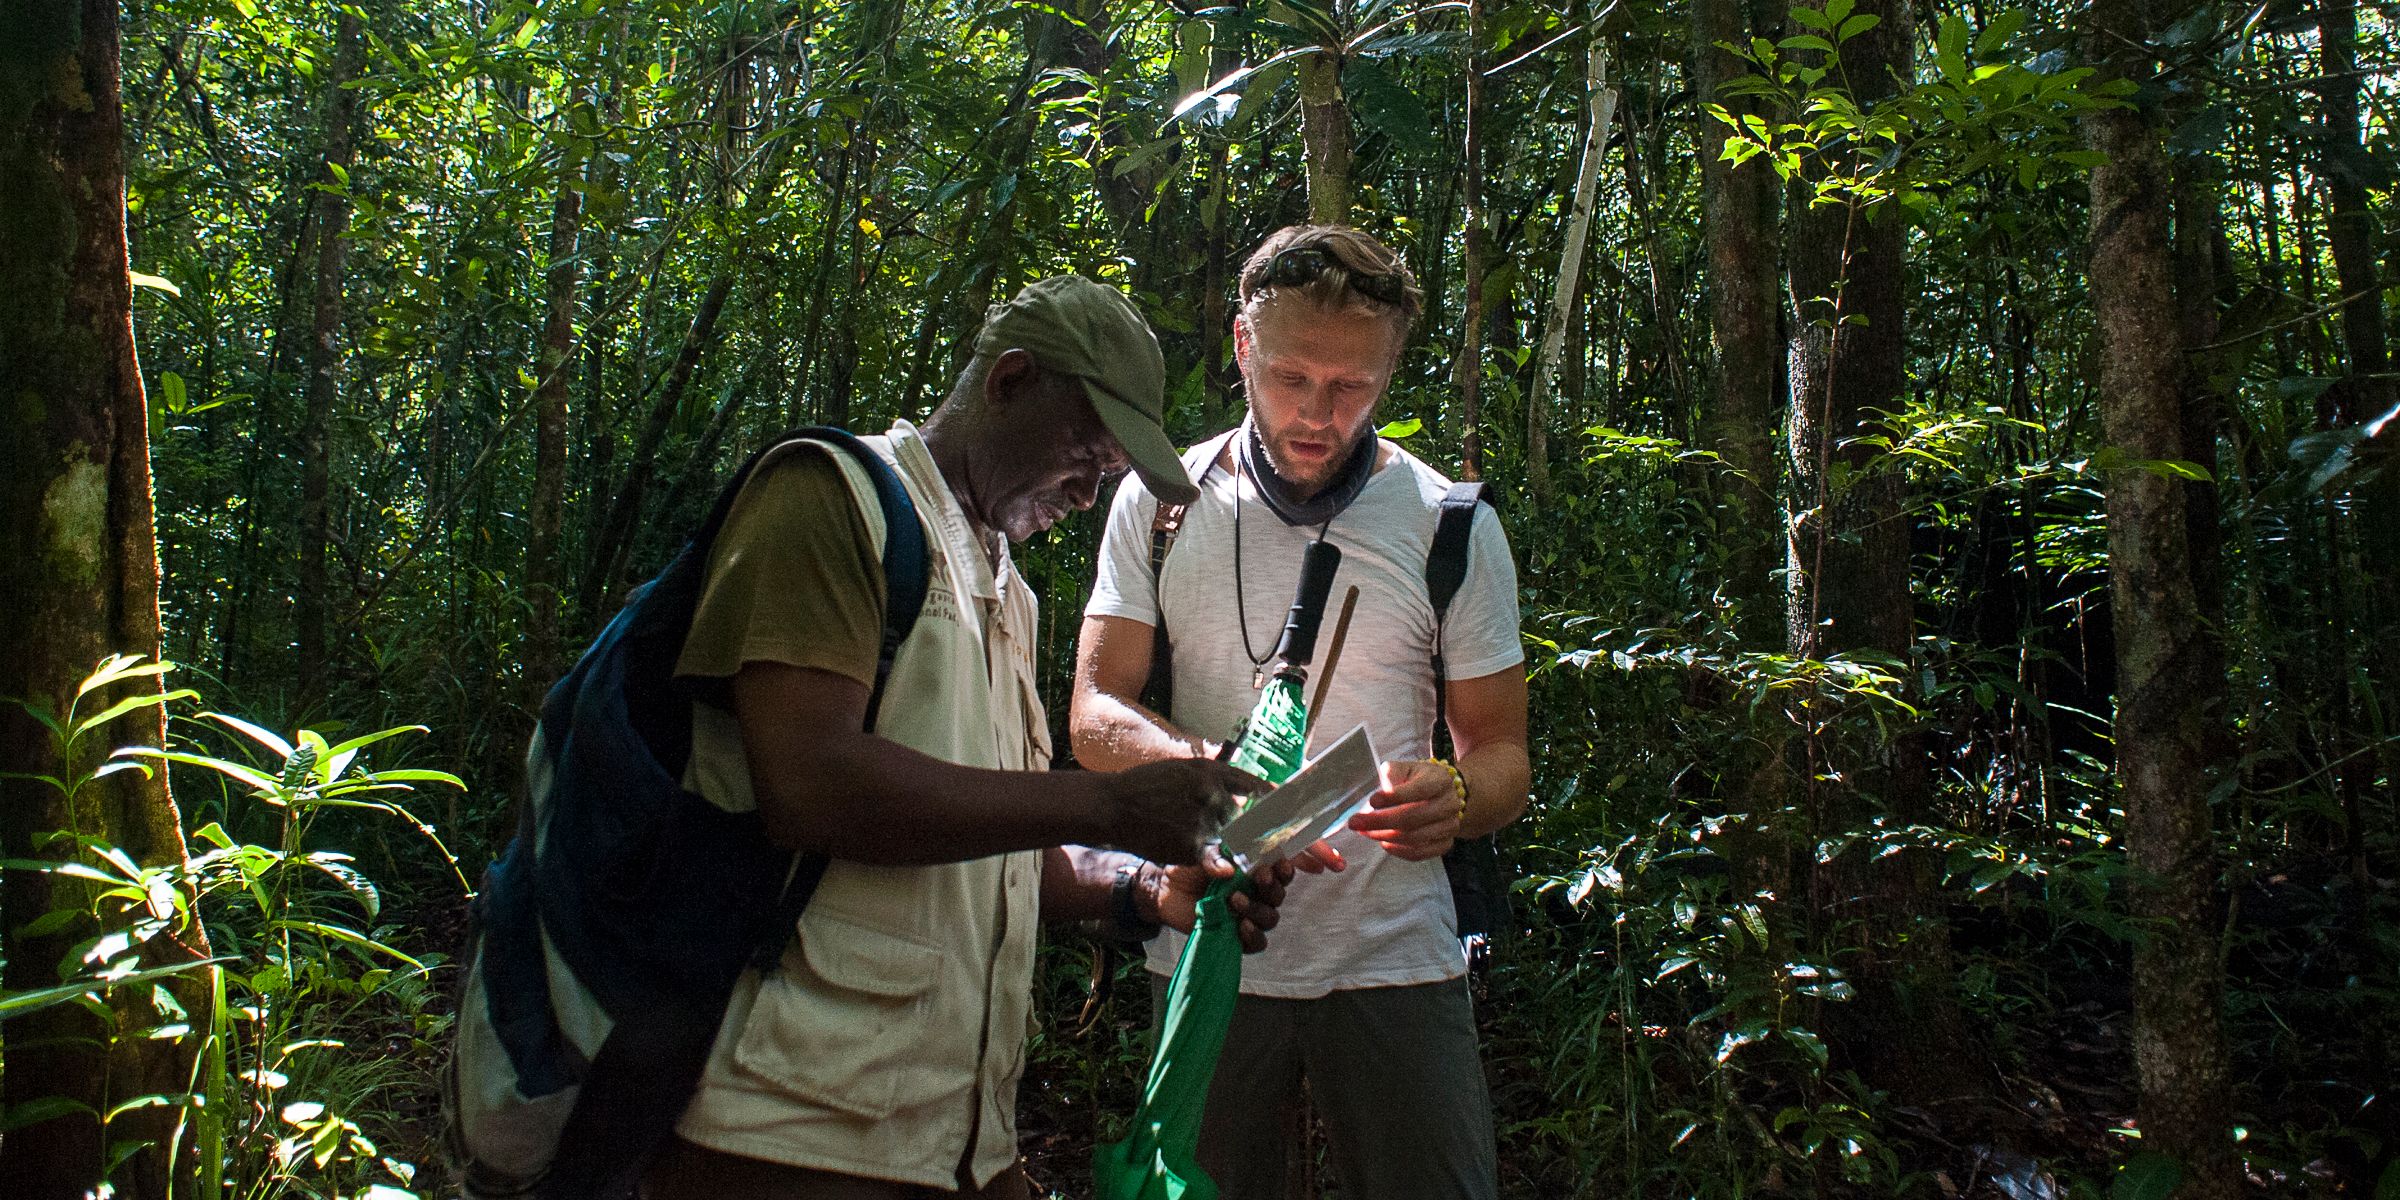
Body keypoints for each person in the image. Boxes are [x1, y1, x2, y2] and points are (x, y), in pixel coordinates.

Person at [457, 276, 1297, 1200]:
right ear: (1010, 381)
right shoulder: (832, 496)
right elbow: (810, 783)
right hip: (778, 1121)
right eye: (1087, 455)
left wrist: (1142, 885)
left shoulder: (1007, 592)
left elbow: (993, 846)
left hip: (945, 1132)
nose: (1090, 491)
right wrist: (1105, 802)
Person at [1070, 227, 1532, 1199]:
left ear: (1391, 369)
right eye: (1290, 378)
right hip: (1208, 939)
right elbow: (1096, 710)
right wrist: (1210, 776)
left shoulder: (1448, 523)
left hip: (1393, 951)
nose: (1318, 413)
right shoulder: (1161, 505)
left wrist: (1455, 795)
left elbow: (1501, 754)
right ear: (1243, 346)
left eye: (1352, 385)